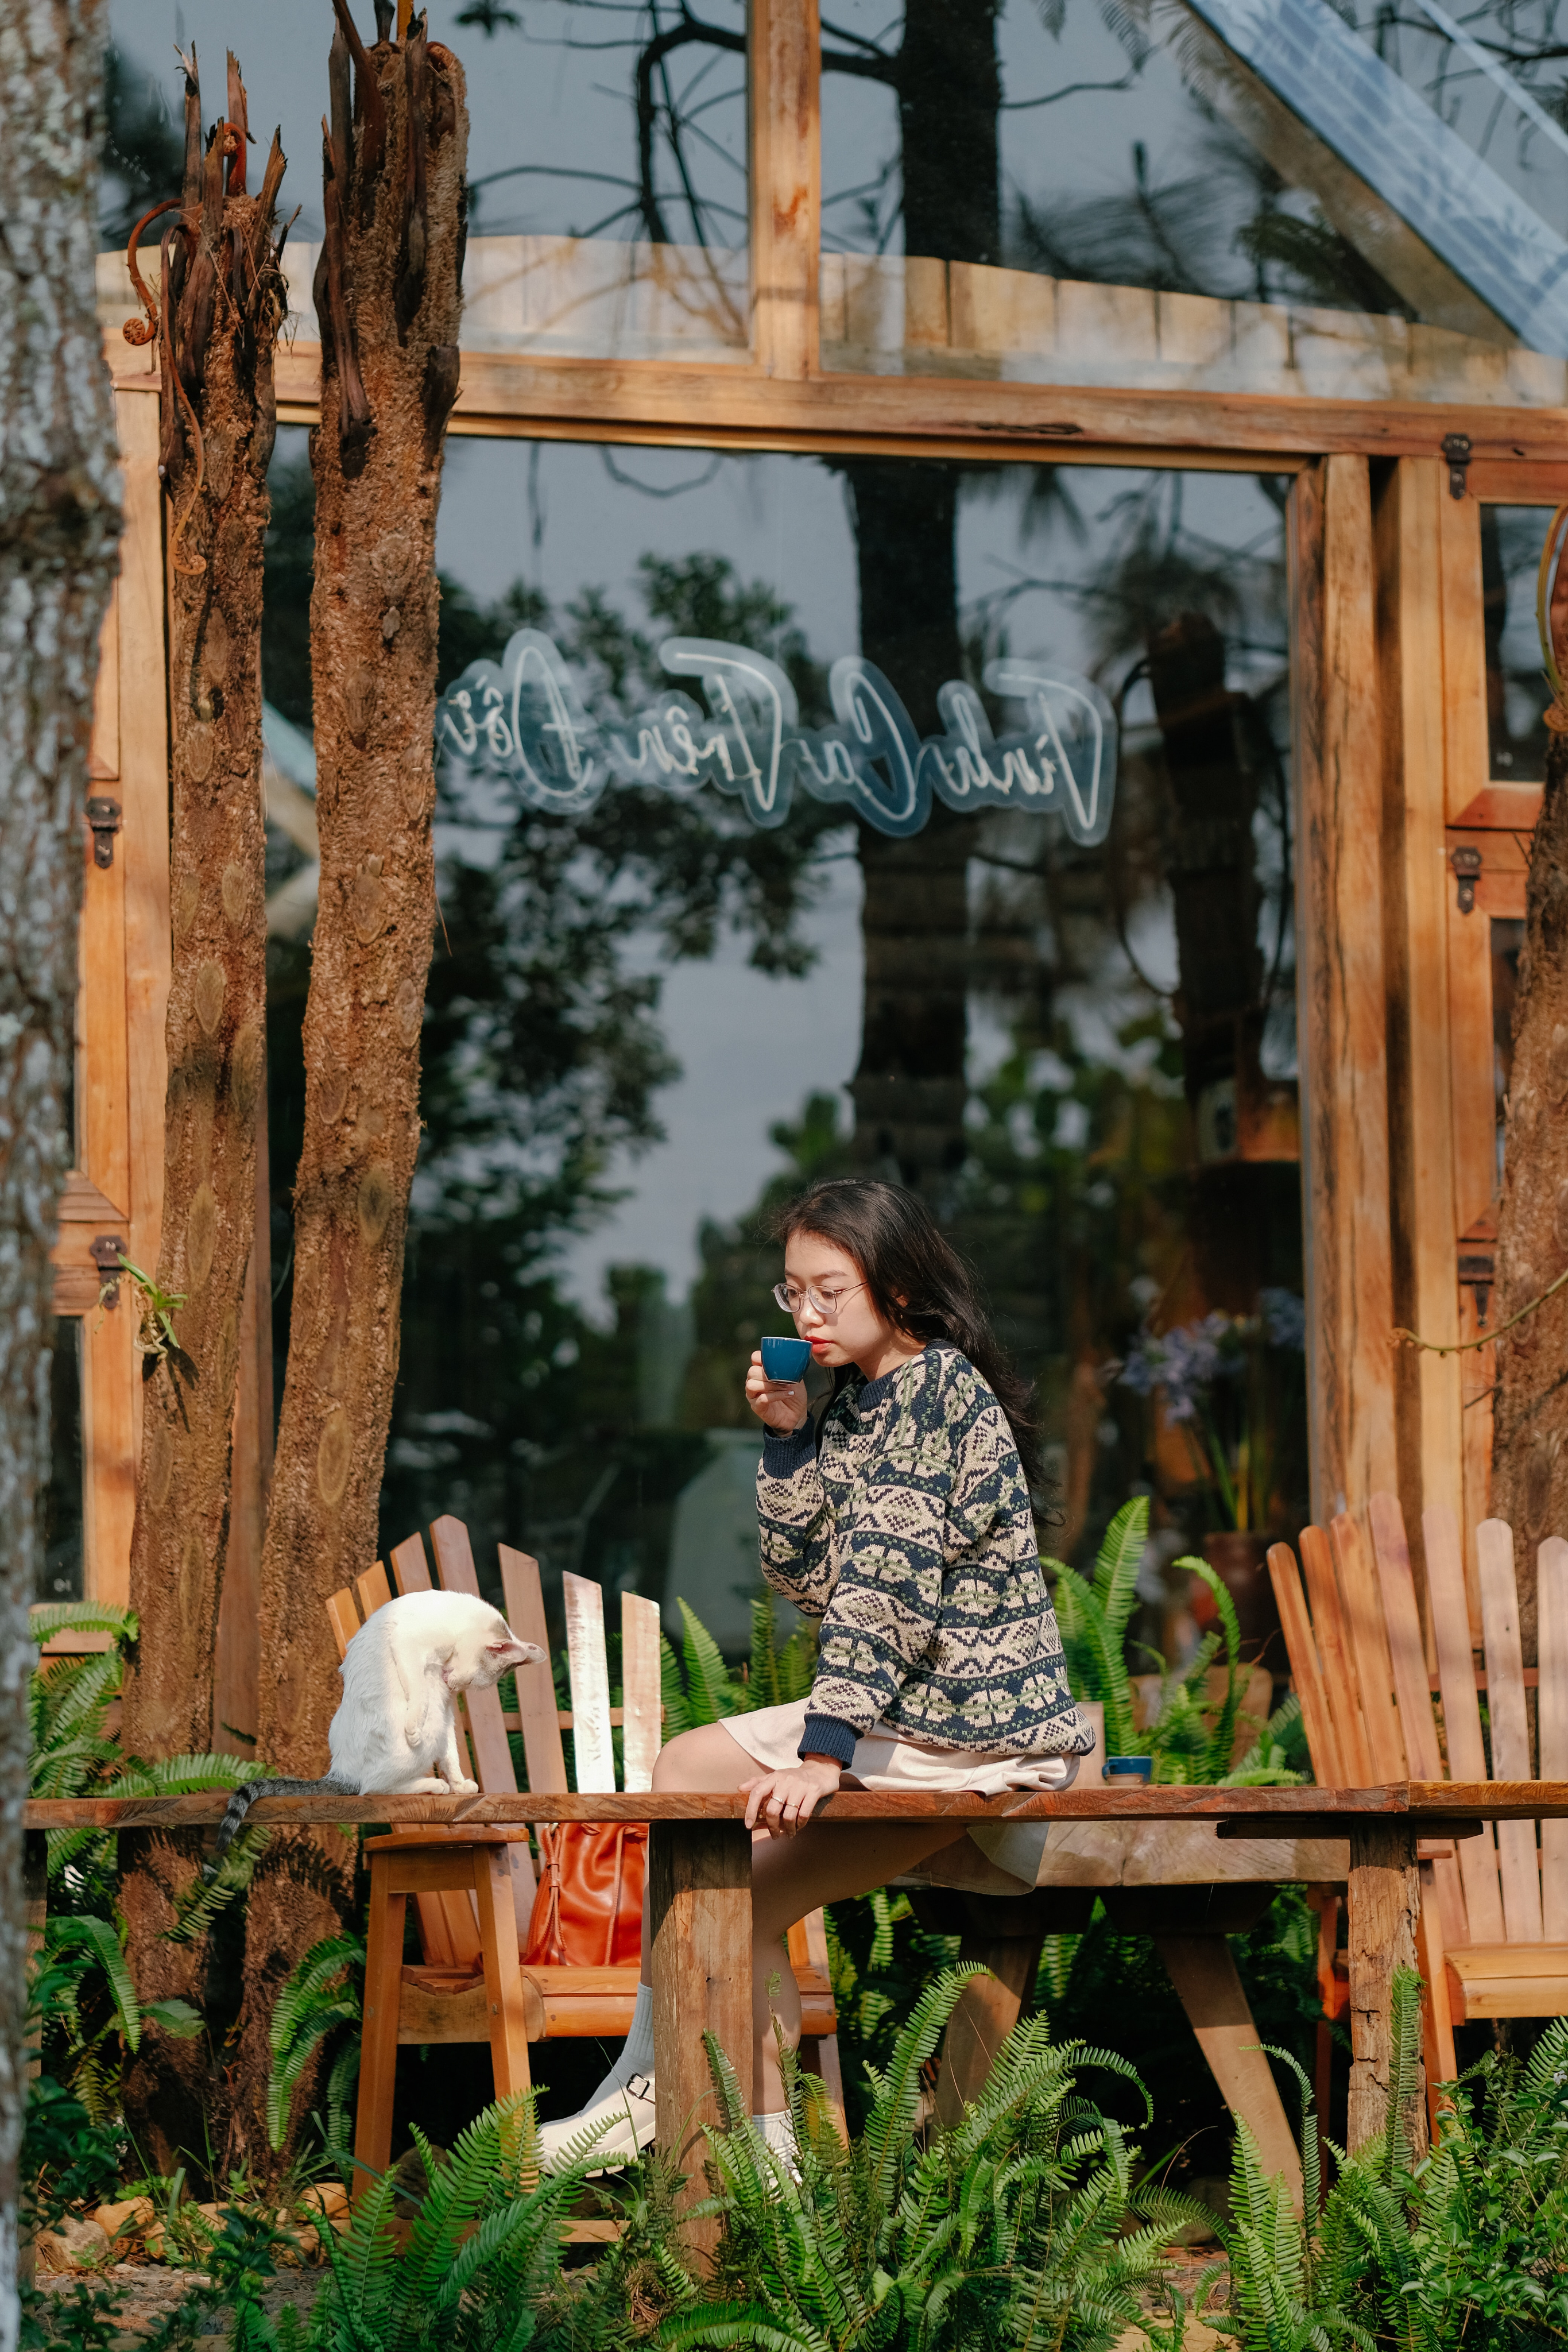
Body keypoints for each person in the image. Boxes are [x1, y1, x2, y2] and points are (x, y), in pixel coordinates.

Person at [538, 1176, 1091, 2168]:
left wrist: (823, 1757)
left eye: (830, 1289)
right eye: (793, 1292)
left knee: (740, 1905)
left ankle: (739, 2155)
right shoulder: (856, 1407)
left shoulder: (939, 1393)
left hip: (967, 1729)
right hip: (909, 1711)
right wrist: (790, 1438)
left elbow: (887, 1593)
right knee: (685, 1771)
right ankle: (654, 2092)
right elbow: (814, 1584)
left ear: (900, 1285)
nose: (806, 1312)